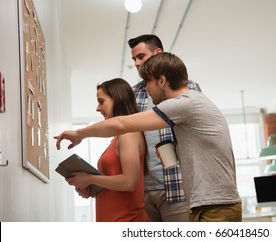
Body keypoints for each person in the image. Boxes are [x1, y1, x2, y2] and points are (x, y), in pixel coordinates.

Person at [55, 53, 242, 222]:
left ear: (162, 81)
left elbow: (122, 124)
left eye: (147, 82)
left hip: (217, 206)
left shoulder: (186, 103)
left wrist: (79, 134)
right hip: (205, 205)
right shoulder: (190, 105)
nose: (145, 88)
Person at [128, 34, 201, 222]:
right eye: (134, 59)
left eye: (141, 57)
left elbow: (195, 133)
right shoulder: (133, 93)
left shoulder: (188, 88)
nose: (136, 63)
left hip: (177, 185)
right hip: (143, 189)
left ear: (157, 53)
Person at [60, 78, 149, 222]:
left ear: (118, 99)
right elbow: (114, 185)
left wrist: (89, 178)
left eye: (101, 101)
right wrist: (91, 186)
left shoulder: (129, 134)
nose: (97, 108)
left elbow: (129, 182)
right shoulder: (118, 138)